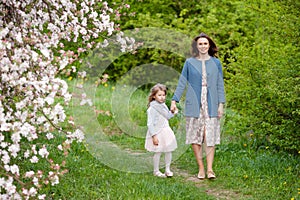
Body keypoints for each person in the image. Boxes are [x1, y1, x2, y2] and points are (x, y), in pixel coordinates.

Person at [170, 32, 225, 179]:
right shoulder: (189, 62)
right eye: (200, 44)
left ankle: (210, 169)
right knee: (195, 135)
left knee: (210, 135)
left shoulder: (216, 63)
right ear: (196, 46)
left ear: (209, 46)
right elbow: (182, 82)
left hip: (212, 103)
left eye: (205, 43)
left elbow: (220, 84)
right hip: (194, 102)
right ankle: (201, 168)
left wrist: (221, 104)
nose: (203, 46)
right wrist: (174, 100)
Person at [145, 83, 178, 178]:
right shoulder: (152, 108)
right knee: (158, 151)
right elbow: (150, 123)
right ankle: (156, 170)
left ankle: (168, 169)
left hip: (166, 130)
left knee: (168, 150)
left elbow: (167, 116)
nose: (162, 97)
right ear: (154, 96)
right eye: (159, 95)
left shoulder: (163, 105)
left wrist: (172, 112)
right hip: (157, 132)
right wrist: (154, 135)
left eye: (163, 95)